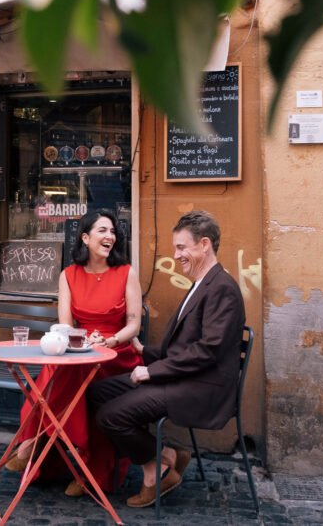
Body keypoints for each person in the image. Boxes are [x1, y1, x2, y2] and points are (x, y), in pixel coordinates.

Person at [88, 210, 245, 508]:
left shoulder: (222, 288)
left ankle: (157, 472)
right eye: (176, 248)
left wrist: (151, 371)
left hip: (201, 388)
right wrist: (141, 349)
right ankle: (168, 456)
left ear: (205, 245)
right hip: (183, 377)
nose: (176, 255)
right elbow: (184, 346)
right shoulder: (203, 284)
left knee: (111, 417)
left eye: (182, 247)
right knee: (97, 392)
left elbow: (207, 350)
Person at [4, 209, 143, 497]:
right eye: (103, 231)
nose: (110, 237)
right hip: (82, 346)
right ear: (85, 237)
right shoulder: (68, 275)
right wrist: (84, 340)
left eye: (113, 232)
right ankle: (74, 454)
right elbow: (66, 325)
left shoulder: (126, 273)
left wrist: (111, 340)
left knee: (70, 372)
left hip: (118, 355)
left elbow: (134, 324)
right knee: (66, 368)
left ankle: (32, 443)